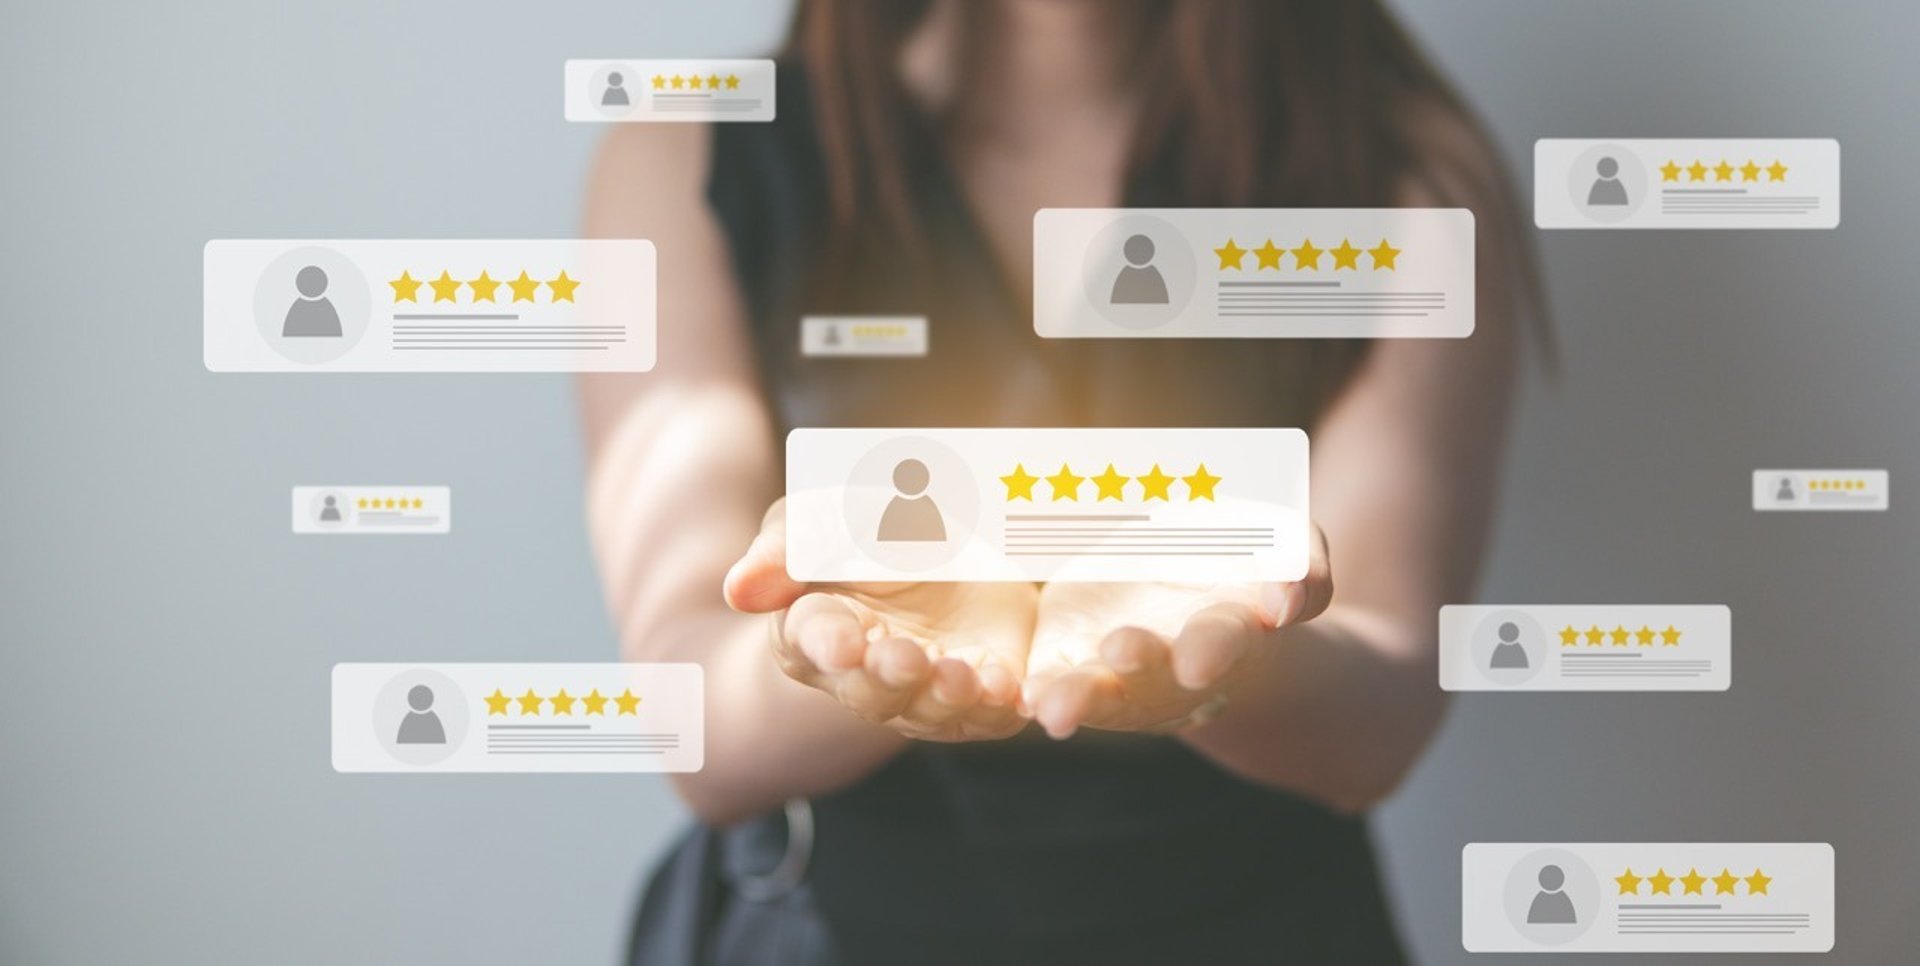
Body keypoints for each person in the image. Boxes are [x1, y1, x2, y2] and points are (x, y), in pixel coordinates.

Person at [580, 1, 1540, 963]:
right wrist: (861, 653)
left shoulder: (1400, 175)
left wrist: (1228, 657)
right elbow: (692, 722)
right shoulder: (692, 153)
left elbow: (1379, 715)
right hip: (822, 927)